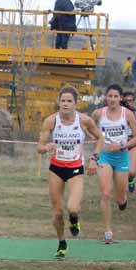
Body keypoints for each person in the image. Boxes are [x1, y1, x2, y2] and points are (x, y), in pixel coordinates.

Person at [37, 86, 104, 258]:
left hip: (75, 168)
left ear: (76, 103)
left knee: (73, 208)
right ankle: (61, 242)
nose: (65, 104)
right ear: (58, 102)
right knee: (58, 213)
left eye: (69, 101)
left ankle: (74, 221)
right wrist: (47, 147)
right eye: (63, 101)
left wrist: (94, 159)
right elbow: (40, 147)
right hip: (56, 168)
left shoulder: (84, 121)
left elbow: (100, 138)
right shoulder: (51, 121)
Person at [93, 85, 136, 243]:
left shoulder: (127, 114)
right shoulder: (99, 113)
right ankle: (108, 231)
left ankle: (123, 200)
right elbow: (87, 126)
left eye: (115, 96)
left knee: (120, 198)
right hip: (105, 156)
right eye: (110, 96)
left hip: (121, 156)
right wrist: (97, 140)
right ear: (106, 98)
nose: (112, 99)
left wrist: (121, 146)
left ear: (120, 98)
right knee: (106, 193)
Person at [122, 91, 136, 193]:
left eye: (131, 100)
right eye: (127, 101)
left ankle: (130, 180)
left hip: (133, 143)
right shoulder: (118, 114)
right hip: (120, 144)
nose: (129, 102)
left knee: (132, 172)